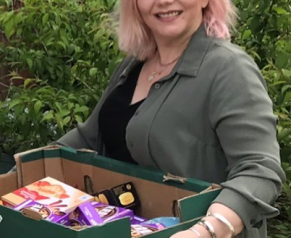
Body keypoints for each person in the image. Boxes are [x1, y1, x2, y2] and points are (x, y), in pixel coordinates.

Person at [57, 0, 286, 237]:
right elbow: (88, 138)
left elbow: (260, 170)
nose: (164, 1)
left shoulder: (228, 68)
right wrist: (27, 174)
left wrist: (205, 231)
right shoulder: (134, 65)